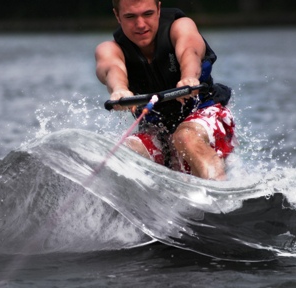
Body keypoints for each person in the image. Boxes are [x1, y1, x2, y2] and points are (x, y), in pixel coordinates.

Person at [95, 0, 236, 180]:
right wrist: (119, 89)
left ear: (159, 9)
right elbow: (112, 69)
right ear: (117, 15)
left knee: (185, 137)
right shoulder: (109, 49)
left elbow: (190, 51)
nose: (140, 24)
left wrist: (188, 76)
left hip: (206, 118)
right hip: (159, 133)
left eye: (147, 14)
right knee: (123, 150)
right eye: (130, 17)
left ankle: (220, 194)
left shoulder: (181, 27)